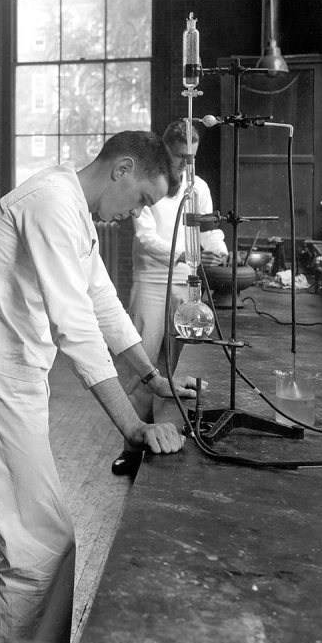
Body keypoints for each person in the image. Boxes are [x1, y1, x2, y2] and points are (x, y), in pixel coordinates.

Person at [0, 131, 201, 643]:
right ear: (123, 168)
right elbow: (75, 327)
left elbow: (102, 302)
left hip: (18, 374)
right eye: (142, 199)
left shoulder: (73, 208)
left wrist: (152, 376)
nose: (136, 213)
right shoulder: (50, 203)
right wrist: (132, 427)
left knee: (9, 534)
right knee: (41, 544)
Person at [111, 120, 228, 477]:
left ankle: (184, 442)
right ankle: (133, 447)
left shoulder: (199, 186)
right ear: (166, 150)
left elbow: (206, 229)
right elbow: (146, 238)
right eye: (180, 156)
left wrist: (219, 251)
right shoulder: (151, 181)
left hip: (187, 282)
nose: (186, 165)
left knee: (187, 366)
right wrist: (186, 254)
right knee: (142, 367)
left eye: (192, 157)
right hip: (150, 281)